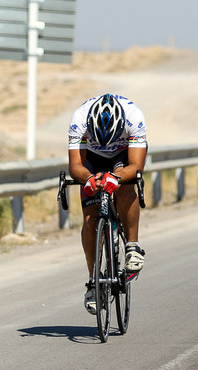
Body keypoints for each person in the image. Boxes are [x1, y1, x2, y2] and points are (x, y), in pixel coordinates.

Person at [68, 93, 148, 315]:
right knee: (90, 219)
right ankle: (94, 281)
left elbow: (136, 166)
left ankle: (132, 246)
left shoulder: (134, 116)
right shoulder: (79, 118)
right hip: (91, 158)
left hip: (123, 156)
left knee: (125, 187)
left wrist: (117, 177)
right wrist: (89, 179)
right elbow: (75, 165)